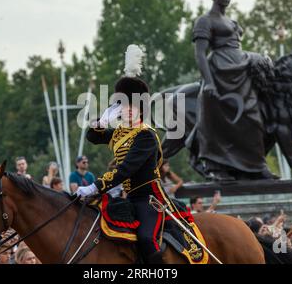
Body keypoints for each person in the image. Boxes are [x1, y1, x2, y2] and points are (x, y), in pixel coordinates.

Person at [79, 55, 207, 264]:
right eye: (123, 106)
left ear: (141, 109)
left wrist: (96, 186)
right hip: (129, 197)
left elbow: (127, 168)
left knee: (147, 239)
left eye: (132, 106)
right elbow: (93, 137)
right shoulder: (119, 133)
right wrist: (101, 120)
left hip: (150, 199)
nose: (127, 109)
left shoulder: (146, 134)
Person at [192, 0, 272, 180]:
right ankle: (218, 167)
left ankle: (255, 165)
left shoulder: (232, 22)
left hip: (240, 72)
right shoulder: (205, 20)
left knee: (253, 118)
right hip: (219, 73)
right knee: (220, 122)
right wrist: (208, 81)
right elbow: (200, 54)